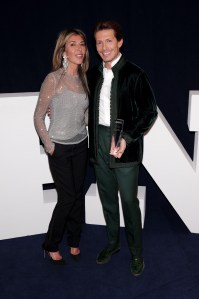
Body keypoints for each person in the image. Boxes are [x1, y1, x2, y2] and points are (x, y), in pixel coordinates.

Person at [88, 20, 157, 276]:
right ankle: (113, 244)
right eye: (99, 42)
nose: (104, 47)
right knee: (108, 200)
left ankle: (137, 253)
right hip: (99, 144)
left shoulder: (135, 74)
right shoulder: (92, 74)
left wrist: (128, 137)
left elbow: (149, 112)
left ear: (119, 42)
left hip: (124, 147)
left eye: (108, 40)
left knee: (129, 202)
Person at [34, 28, 89, 264]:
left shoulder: (85, 79)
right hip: (60, 147)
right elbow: (38, 117)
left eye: (82, 44)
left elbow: (83, 115)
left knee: (77, 196)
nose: (79, 49)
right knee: (67, 198)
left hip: (81, 144)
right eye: (73, 44)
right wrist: (49, 145)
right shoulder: (53, 79)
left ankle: (74, 241)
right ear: (63, 50)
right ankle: (50, 244)